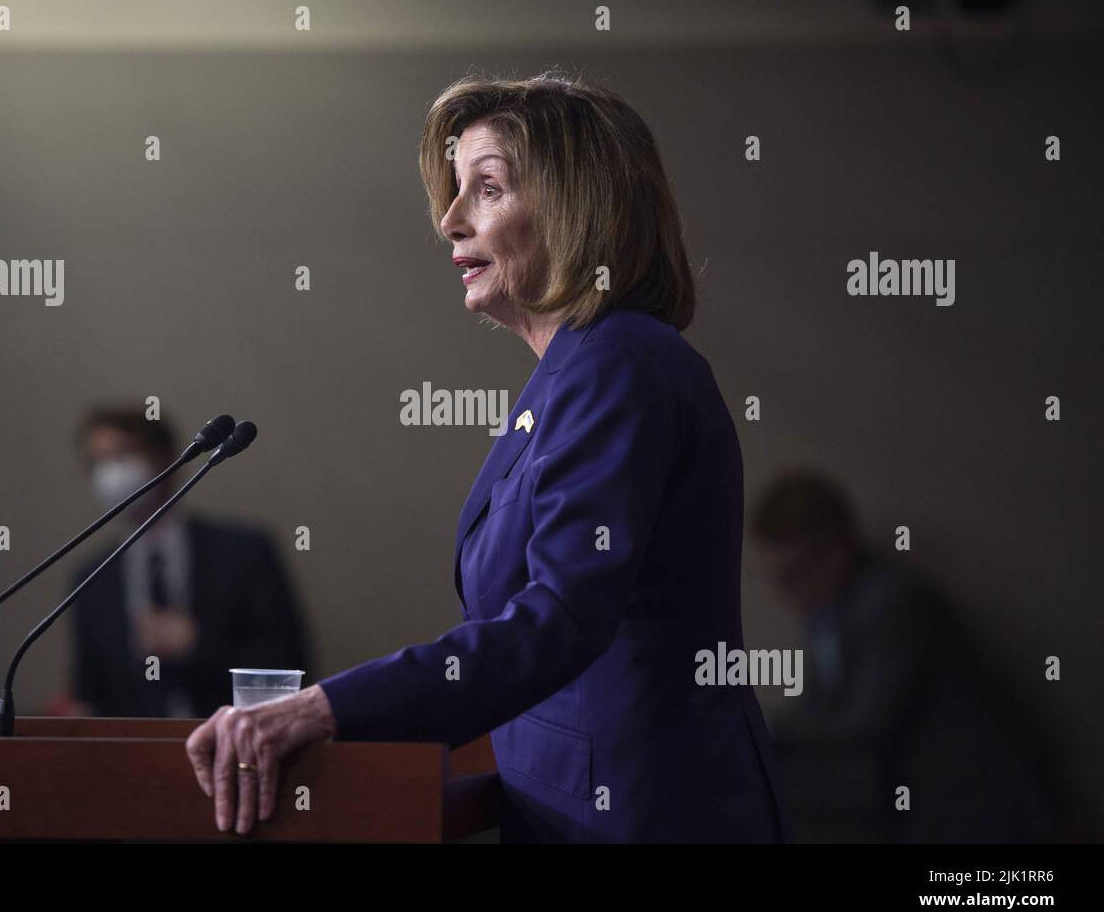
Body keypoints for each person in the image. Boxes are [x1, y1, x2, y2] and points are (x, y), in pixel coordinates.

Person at [185, 71, 792, 842]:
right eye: (452, 190)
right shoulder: (572, 371)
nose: (449, 220)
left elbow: (561, 617)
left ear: (577, 208)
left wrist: (325, 707)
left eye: (488, 188)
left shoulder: (621, 361)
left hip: (645, 812)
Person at [753, 469, 1057, 842]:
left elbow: (864, 722)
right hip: (908, 794)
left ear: (838, 549)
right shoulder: (827, 609)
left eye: (794, 574)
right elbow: (818, 707)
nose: (784, 593)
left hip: (970, 804)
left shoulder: (893, 602)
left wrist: (766, 727)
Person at [66, 406, 311, 719]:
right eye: (98, 462)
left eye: (124, 454)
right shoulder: (91, 577)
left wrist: (198, 644)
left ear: (166, 458)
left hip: (234, 742)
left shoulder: (244, 552)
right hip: (132, 755)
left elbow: (290, 667)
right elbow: (89, 692)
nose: (111, 472)